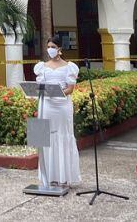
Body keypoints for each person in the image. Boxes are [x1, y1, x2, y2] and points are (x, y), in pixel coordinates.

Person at [33, 35, 80, 189]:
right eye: (48, 47)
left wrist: (58, 93)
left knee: (62, 136)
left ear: (59, 48)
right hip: (46, 105)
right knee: (45, 138)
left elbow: (70, 88)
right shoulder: (42, 66)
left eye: (53, 47)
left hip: (62, 106)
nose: (50, 50)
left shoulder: (69, 66)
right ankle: (48, 176)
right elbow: (40, 86)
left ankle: (64, 177)